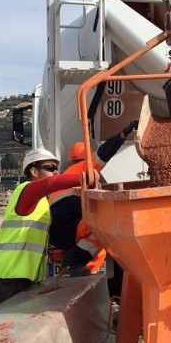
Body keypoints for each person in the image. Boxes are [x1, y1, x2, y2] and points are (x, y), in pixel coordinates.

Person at [0, 148, 82, 311]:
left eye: (56, 168)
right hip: (8, 281)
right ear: (34, 171)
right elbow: (50, 183)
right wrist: (82, 178)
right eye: (50, 168)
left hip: (26, 279)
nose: (56, 172)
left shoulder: (41, 201)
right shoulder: (25, 190)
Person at [47, 121, 138, 294]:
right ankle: (74, 262)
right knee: (105, 227)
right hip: (67, 223)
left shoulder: (65, 175)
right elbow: (103, 155)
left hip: (57, 232)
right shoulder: (86, 170)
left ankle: (77, 266)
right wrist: (122, 134)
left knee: (96, 225)